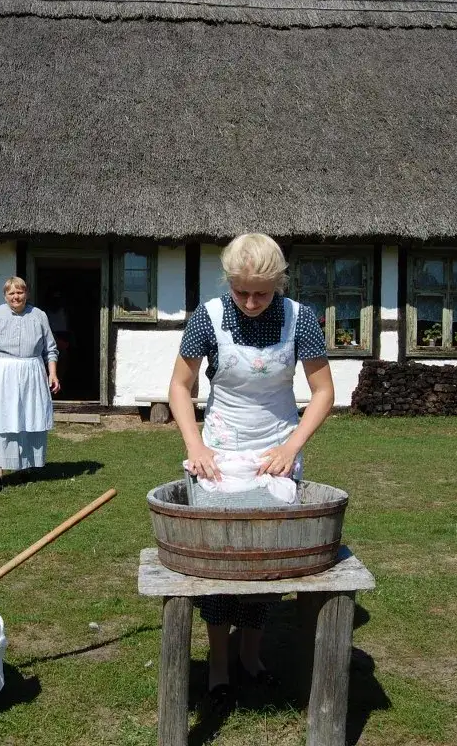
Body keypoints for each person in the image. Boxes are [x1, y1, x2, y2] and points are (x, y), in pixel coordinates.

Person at [167, 233, 335, 707]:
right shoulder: (208, 317)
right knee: (217, 558)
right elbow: (181, 386)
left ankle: (252, 652)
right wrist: (195, 443)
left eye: (262, 292)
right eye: (241, 291)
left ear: (280, 282)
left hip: (275, 450)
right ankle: (219, 657)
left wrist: (291, 445)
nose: (251, 302)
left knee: (268, 559)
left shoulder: (301, 320)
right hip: (219, 449)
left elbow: (323, 392)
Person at [0, 277, 61, 491]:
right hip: (2, 374)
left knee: (27, 417)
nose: (16, 297)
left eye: (20, 292)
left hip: (31, 372)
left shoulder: (39, 315)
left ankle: (25, 466)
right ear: (5, 295)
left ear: (27, 294)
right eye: (12, 293)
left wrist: (53, 374)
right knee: (1, 420)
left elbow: (50, 348)